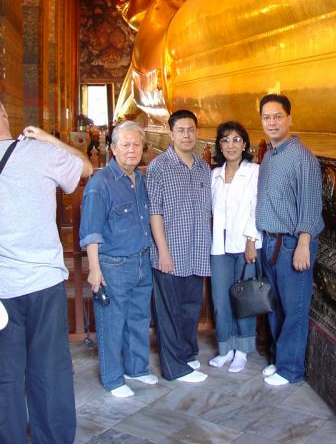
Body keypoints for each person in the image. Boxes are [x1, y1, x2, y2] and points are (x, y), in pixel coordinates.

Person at [0, 101, 92, 444]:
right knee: (49, 370)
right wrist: (48, 138)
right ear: (5, 115)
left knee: (5, 375)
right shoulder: (39, 152)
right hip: (43, 283)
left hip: (2, 288)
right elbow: (86, 168)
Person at [80, 120, 157, 398]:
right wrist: (94, 270)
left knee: (138, 318)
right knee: (112, 323)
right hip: (114, 265)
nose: (131, 150)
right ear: (113, 149)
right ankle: (113, 379)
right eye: (125, 145)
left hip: (141, 260)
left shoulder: (140, 179)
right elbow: (91, 231)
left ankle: (136, 368)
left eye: (136, 144)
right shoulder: (100, 184)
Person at [256, 94, 324, 386]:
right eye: (266, 117)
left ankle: (290, 370)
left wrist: (304, 244)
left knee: (295, 309)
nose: (272, 122)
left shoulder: (302, 157)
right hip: (269, 243)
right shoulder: (269, 155)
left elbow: (311, 205)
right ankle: (278, 359)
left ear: (289, 119)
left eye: (277, 116)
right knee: (275, 307)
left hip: (292, 244)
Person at [145, 109, 211, 382]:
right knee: (169, 311)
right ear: (171, 134)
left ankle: (187, 353)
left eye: (191, 130)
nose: (186, 135)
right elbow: (155, 212)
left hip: (196, 251)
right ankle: (174, 368)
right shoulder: (159, 167)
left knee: (190, 307)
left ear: (197, 133)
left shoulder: (203, 168)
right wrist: (163, 251)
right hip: (170, 253)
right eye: (181, 130)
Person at [209, 121, 261, 373]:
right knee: (221, 300)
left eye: (236, 140)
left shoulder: (253, 172)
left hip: (244, 245)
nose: (231, 145)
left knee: (244, 299)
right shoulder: (214, 175)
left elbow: (256, 207)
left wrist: (251, 241)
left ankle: (242, 350)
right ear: (220, 145)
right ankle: (225, 349)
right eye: (225, 140)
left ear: (244, 145)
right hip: (219, 247)